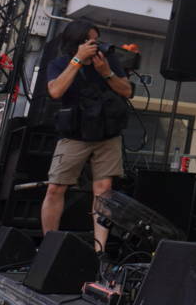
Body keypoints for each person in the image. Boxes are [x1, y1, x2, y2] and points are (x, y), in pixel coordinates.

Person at [41, 19, 133, 251]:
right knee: (55, 187)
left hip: (106, 133)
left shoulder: (108, 60)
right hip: (75, 133)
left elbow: (127, 91)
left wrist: (107, 73)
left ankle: (99, 249)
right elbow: (55, 91)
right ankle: (49, 245)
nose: (94, 45)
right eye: (88, 41)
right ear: (75, 42)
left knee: (104, 190)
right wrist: (77, 61)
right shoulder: (60, 63)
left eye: (96, 40)